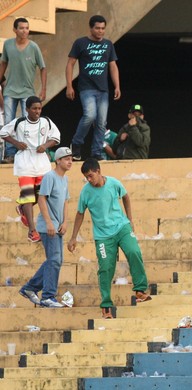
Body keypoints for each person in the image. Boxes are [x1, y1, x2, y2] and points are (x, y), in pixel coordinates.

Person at [66, 158, 151, 319]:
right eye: (86, 177)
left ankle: (140, 290)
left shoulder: (113, 183)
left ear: (98, 171)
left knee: (134, 252)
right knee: (105, 268)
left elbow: (125, 196)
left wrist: (130, 219)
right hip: (103, 236)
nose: (89, 180)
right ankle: (106, 306)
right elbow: (80, 213)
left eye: (91, 176)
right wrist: (73, 237)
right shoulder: (86, 191)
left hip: (122, 227)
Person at [0, 96, 60, 243]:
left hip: (42, 163)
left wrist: (45, 146)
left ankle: (22, 208)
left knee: (43, 195)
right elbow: (3, 132)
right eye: (34, 108)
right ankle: (32, 231)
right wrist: (16, 143)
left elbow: (56, 138)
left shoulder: (46, 121)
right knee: (28, 195)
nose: (37, 111)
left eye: (39, 108)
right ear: (27, 109)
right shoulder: (19, 122)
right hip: (25, 162)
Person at [18, 147, 72, 308]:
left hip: (58, 226)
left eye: (71, 159)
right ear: (58, 160)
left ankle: (30, 288)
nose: (70, 161)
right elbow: (41, 199)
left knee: (55, 260)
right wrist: (49, 223)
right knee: (54, 260)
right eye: (66, 158)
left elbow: (65, 201)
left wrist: (65, 222)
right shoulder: (50, 176)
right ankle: (48, 296)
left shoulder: (65, 179)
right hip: (48, 226)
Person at [65, 14, 121, 161]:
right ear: (91, 28)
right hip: (86, 87)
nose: (100, 31)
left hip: (103, 89)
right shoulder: (81, 43)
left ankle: (96, 152)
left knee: (102, 122)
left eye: (103, 28)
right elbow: (70, 63)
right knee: (90, 115)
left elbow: (113, 65)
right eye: (97, 28)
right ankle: (76, 144)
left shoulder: (108, 44)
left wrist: (117, 86)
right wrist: (69, 85)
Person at [0, 17, 47, 164]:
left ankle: (29, 153)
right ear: (15, 30)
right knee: (9, 122)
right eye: (21, 28)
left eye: (27, 28)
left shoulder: (34, 47)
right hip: (10, 91)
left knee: (29, 122)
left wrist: (43, 89)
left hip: (28, 91)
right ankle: (10, 154)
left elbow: (43, 68)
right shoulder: (7, 44)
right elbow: (3, 64)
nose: (25, 31)